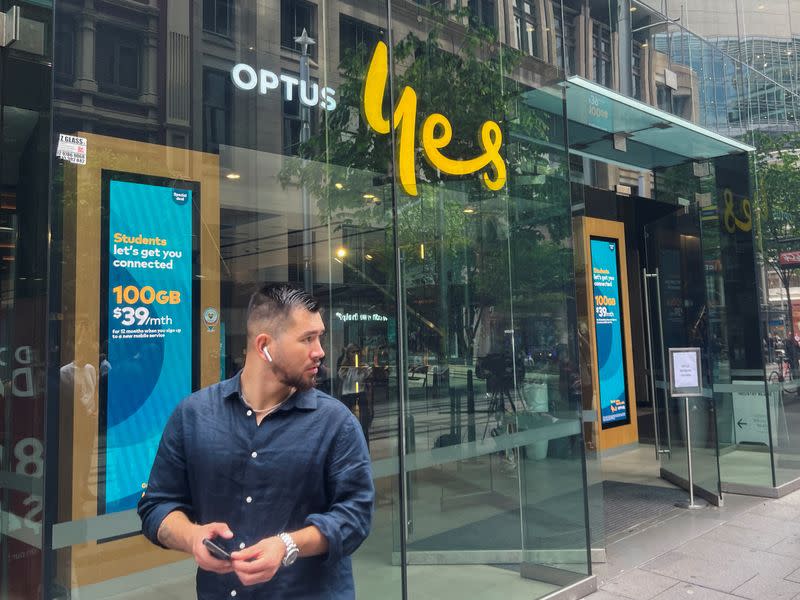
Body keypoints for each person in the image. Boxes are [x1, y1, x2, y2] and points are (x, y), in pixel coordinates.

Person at [138, 283, 374, 599]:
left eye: (320, 337)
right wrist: (192, 536)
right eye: (307, 339)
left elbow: (355, 517)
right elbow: (157, 505)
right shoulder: (193, 415)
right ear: (264, 346)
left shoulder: (336, 423)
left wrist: (287, 545)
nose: (319, 351)